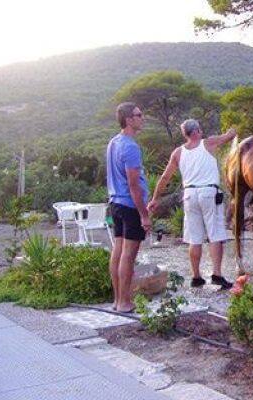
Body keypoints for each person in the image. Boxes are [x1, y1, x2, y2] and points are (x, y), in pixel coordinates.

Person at [147, 119, 236, 289]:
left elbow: (165, 177)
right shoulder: (208, 143)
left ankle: (196, 277)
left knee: (194, 238)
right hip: (208, 192)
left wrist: (155, 199)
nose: (201, 131)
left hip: (189, 195)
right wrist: (232, 130)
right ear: (195, 131)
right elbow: (229, 136)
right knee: (215, 234)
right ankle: (217, 274)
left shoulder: (178, 152)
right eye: (200, 129)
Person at [107, 102, 151, 313]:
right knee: (128, 256)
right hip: (129, 206)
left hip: (115, 204)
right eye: (138, 114)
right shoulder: (130, 147)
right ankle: (124, 302)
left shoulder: (114, 142)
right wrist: (144, 215)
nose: (142, 117)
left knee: (118, 251)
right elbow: (133, 185)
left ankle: (117, 300)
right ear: (128, 119)